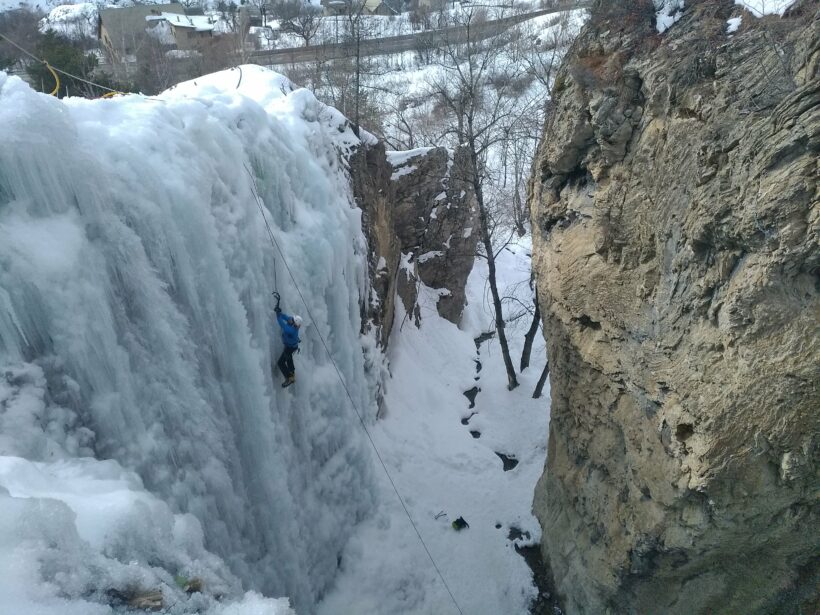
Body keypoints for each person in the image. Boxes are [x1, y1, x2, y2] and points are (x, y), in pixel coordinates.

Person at [273, 292, 302, 388]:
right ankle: (292, 374)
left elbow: (282, 323)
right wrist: (280, 312)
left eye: (292, 320)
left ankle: (289, 377)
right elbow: (286, 317)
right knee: (289, 360)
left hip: (289, 348)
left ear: (294, 324)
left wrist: (277, 314)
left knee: (281, 363)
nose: (291, 319)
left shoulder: (291, 330)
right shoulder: (294, 323)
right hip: (292, 347)